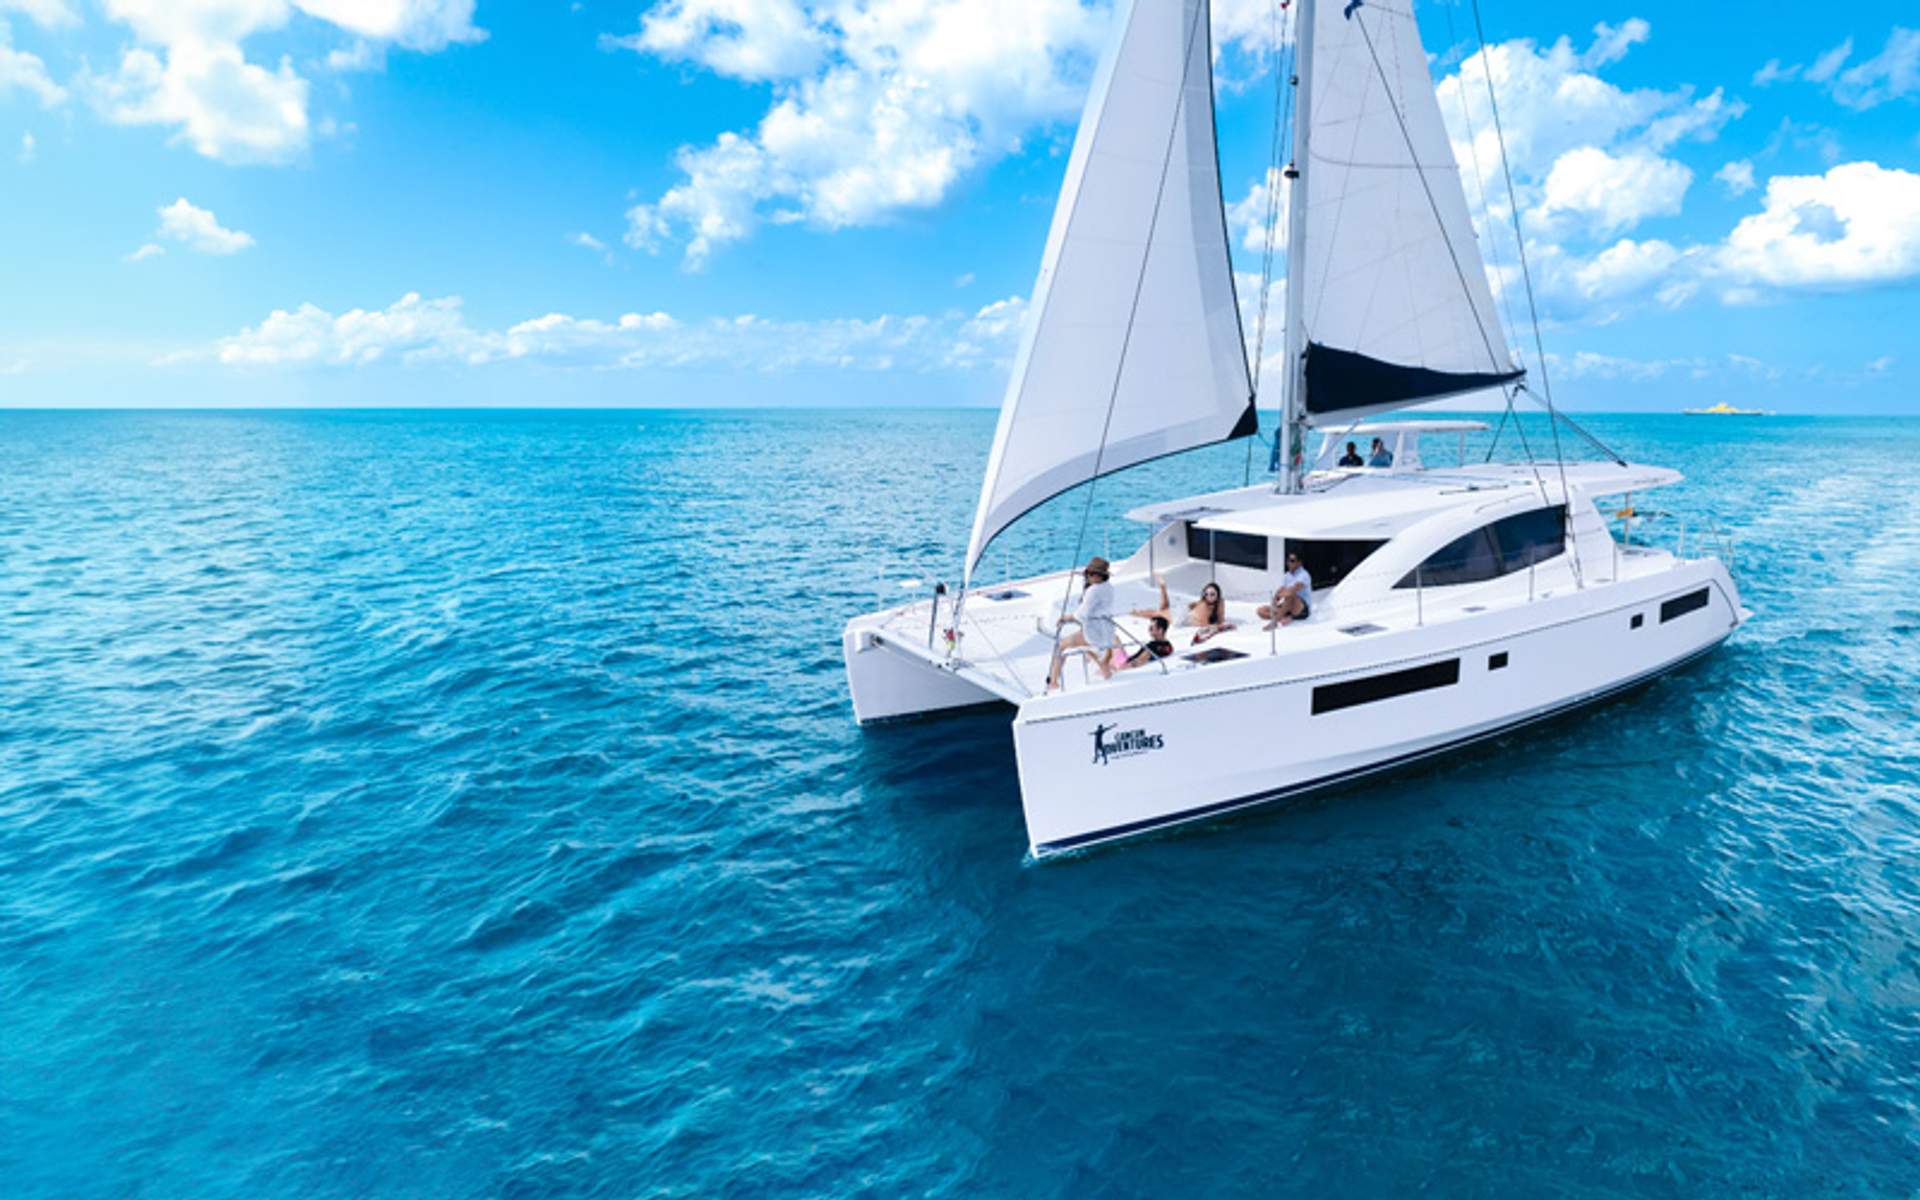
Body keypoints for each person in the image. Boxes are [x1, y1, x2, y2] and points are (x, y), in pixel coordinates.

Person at [1048, 556, 1119, 689]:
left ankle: (1053, 682)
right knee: (1090, 650)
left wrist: (1065, 618)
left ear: (1099, 575)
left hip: (1095, 632)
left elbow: (1082, 614)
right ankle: (1106, 672)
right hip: (1107, 630)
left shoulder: (1093, 590)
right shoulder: (1108, 587)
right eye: (1087, 574)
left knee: (1061, 645)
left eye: (1090, 574)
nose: (1088, 576)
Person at [1132, 573, 1234, 645]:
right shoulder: (1204, 605)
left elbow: (1220, 619)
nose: (1209, 597)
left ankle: (1163, 587)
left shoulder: (1220, 602)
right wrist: (1220, 626)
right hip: (1182, 617)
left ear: (1218, 595)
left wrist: (1220, 625)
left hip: (1186, 614)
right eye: (1206, 594)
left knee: (1162, 609)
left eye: (1212, 594)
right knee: (1157, 613)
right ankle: (1136, 613)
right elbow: (1205, 624)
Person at [1259, 551, 1313, 628]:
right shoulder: (1287, 575)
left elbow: (1293, 590)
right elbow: (1281, 590)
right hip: (1289, 605)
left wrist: (1280, 595)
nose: (1289, 563)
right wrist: (1275, 601)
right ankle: (1285, 616)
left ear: (1299, 563)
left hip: (1302, 609)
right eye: (1288, 560)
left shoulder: (1304, 575)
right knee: (1261, 611)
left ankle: (1275, 622)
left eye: (1292, 561)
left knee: (1290, 596)